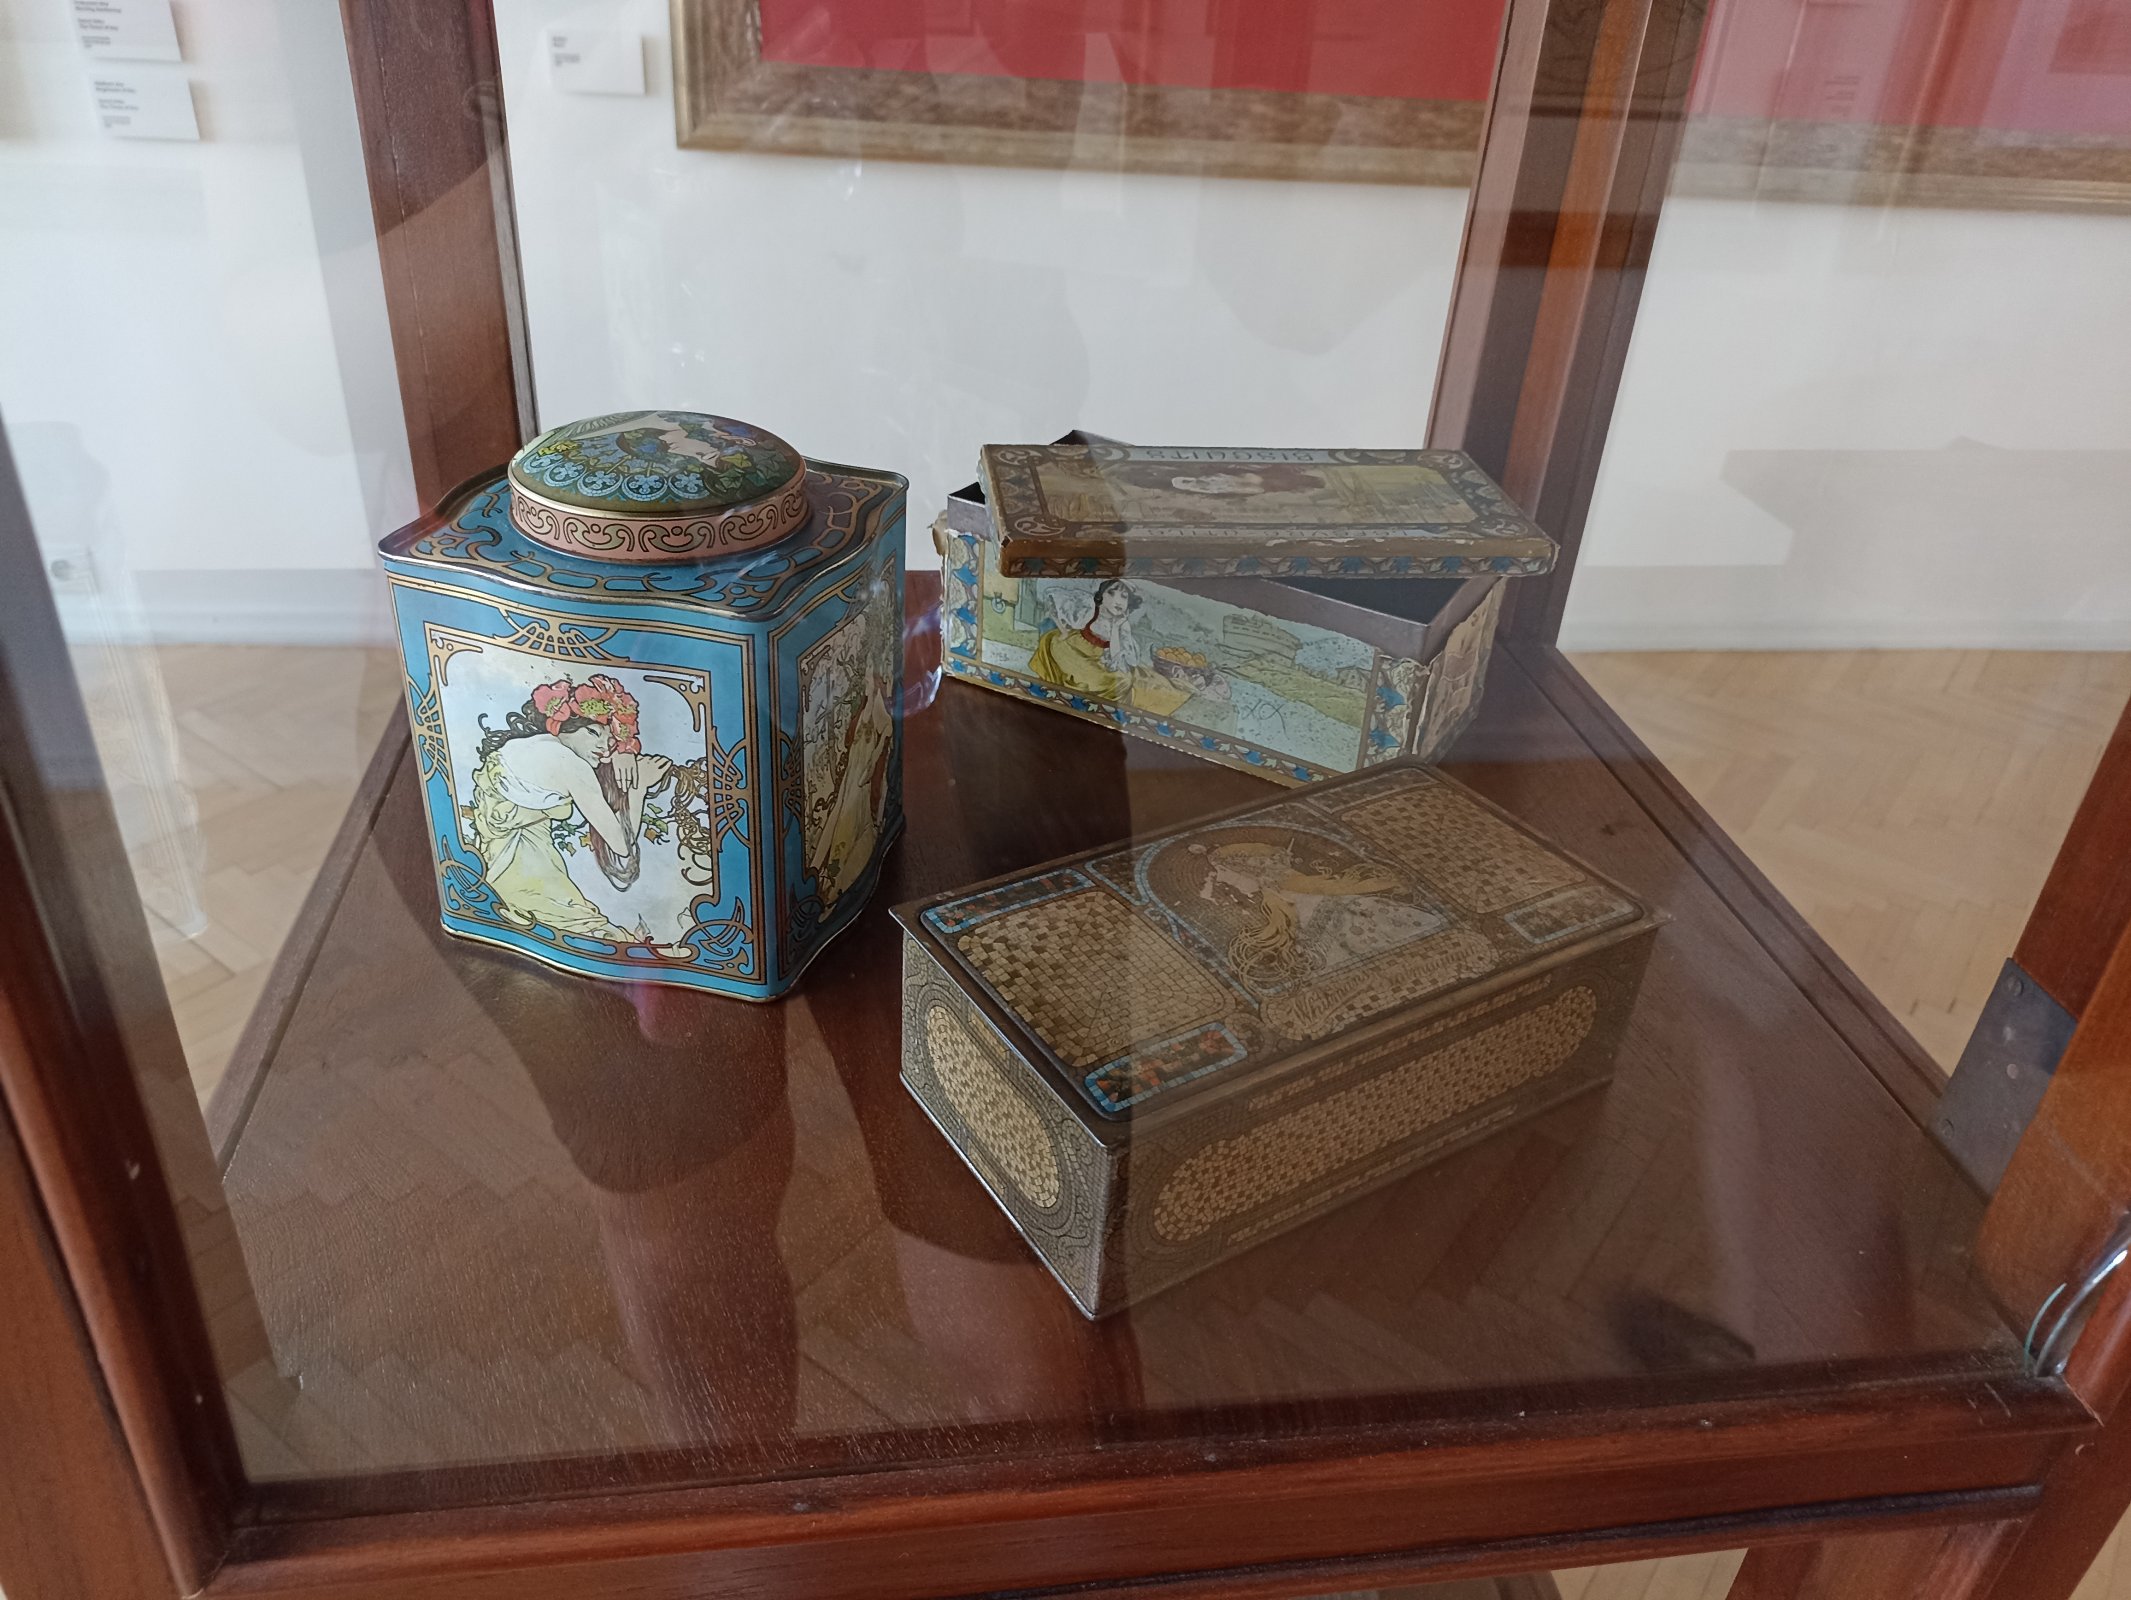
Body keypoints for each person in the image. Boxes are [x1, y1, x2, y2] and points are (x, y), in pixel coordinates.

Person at [468, 674, 672, 941]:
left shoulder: (531, 745)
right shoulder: (572, 766)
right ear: (562, 724)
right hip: (522, 870)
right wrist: (639, 786)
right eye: (593, 732)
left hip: (508, 859)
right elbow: (622, 847)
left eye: (610, 741)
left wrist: (623, 752)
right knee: (587, 929)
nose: (603, 747)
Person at [1193, 837, 1433, 987]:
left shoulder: (1294, 885)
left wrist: (1387, 884)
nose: (1222, 880)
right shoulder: (1277, 899)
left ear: (1248, 870)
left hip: (1362, 929)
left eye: (1225, 872)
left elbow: (1338, 888)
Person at [1027, 579, 1145, 701]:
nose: (1118, 601)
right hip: (1076, 648)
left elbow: (1116, 659)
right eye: (1111, 593)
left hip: (1100, 661)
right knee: (1051, 643)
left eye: (1124, 597)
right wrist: (1064, 632)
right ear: (1101, 595)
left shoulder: (1123, 625)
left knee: (1123, 681)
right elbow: (1057, 605)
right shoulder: (1091, 609)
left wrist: (1115, 627)